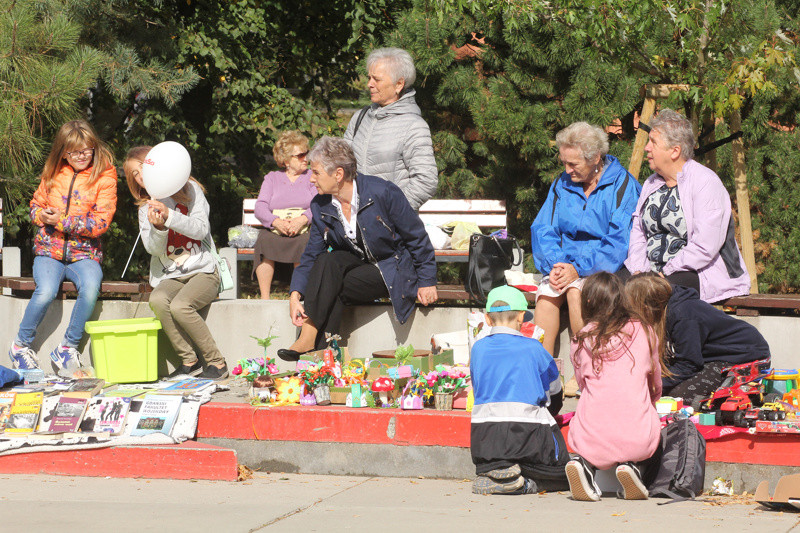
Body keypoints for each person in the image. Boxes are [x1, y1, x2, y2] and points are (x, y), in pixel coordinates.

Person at [277, 136, 437, 359]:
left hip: (393, 268)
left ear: (338, 174)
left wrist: (427, 280)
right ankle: (320, 349)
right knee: (327, 261)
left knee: (332, 286)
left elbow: (417, 237)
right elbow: (312, 254)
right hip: (357, 267)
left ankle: (316, 348)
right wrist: (295, 296)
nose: (311, 179)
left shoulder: (383, 192)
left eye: (316, 172)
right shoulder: (320, 205)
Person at [8, 120, 117, 371]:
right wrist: (41, 216)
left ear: (94, 147)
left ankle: (67, 348)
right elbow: (35, 206)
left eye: (86, 149)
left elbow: (100, 223)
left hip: (84, 254)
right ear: (63, 152)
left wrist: (63, 222)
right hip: (49, 251)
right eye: (73, 151)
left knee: (91, 287)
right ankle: (20, 345)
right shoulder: (53, 172)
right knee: (45, 290)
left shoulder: (105, 176)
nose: (80, 156)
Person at [531, 122, 641, 355]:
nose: (567, 170)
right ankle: (544, 374)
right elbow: (543, 228)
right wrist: (556, 265)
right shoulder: (561, 183)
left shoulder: (623, 185)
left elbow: (618, 242)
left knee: (576, 292)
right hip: (564, 262)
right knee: (547, 296)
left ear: (595, 158)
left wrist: (578, 269)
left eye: (573, 164)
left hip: (603, 267)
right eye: (564, 163)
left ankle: (587, 365)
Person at [622, 109, 750, 303]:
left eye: (653, 142)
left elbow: (705, 246)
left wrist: (664, 271)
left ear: (675, 151)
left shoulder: (705, 182)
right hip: (652, 271)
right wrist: (640, 270)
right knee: (604, 289)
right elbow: (638, 232)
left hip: (696, 272)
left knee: (651, 294)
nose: (646, 148)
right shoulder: (651, 183)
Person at [124, 146, 229, 380]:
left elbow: (201, 230)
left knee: (181, 306)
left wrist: (170, 217)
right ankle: (189, 361)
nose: (142, 177)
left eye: (143, 169)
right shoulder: (145, 207)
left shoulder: (191, 191)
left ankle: (217, 363)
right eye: (135, 175)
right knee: (159, 300)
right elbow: (153, 249)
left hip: (204, 270)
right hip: (171, 275)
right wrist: (159, 228)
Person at [566, 272, 662, 502]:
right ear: (622, 298)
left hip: (590, 436)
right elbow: (656, 384)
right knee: (646, 424)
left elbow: (581, 384)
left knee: (590, 407)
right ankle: (633, 467)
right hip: (637, 436)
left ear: (587, 302)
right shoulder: (645, 330)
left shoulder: (580, 339)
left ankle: (585, 465)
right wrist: (652, 400)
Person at [470, 285, 570, 495]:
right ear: (522, 317)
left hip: (484, 441)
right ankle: (526, 483)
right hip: (528, 437)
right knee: (565, 472)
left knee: (497, 460)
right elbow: (554, 389)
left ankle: (496, 470)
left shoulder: (477, 348)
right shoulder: (534, 348)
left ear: (487, 319)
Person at [625, 272, 770, 407]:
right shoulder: (663, 313)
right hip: (710, 358)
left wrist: (655, 384)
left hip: (744, 355)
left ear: (645, 306)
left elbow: (689, 364)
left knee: (679, 396)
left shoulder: (684, 315)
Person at [343, 47, 437, 211]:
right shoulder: (360, 118)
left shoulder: (414, 126)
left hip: (391, 229)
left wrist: (392, 211)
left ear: (399, 84)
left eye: (376, 80)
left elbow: (425, 181)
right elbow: (341, 164)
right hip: (355, 220)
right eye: (369, 78)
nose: (369, 84)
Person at [253, 131, 318, 299]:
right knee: (263, 240)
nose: (306, 158)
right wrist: (275, 222)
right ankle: (265, 298)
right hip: (277, 228)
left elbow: (319, 203)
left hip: (304, 228)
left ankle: (297, 296)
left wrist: (303, 219)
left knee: (305, 242)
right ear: (287, 160)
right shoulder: (272, 178)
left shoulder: (312, 176)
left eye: (307, 153)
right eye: (300, 155)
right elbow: (260, 207)